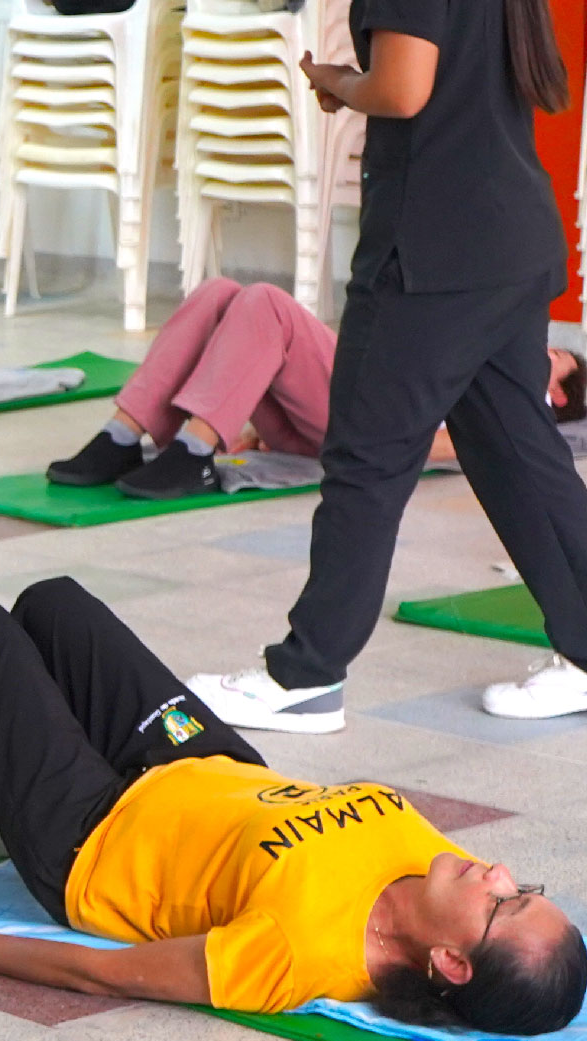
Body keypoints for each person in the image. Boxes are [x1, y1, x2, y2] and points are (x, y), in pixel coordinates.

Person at [0, 576, 585, 1036]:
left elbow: (107, 975)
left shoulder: (297, 954)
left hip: (94, 837)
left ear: (449, 961)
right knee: (52, 605)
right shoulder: (434, 877)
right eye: (525, 887)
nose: (500, 871)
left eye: (505, 904)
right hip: (200, 762)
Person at [185, 0, 587, 730]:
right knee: (517, 455)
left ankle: (305, 676)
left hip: (433, 254)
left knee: (366, 458)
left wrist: (341, 81)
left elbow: (404, 88)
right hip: (508, 235)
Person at [45, 276, 582, 498]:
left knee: (265, 303)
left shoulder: (520, 410)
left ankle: (192, 452)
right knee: (220, 292)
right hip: (336, 410)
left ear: (558, 394)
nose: (540, 349)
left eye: (553, 356)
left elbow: (455, 445)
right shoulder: (483, 366)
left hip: (368, 424)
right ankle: (121, 438)